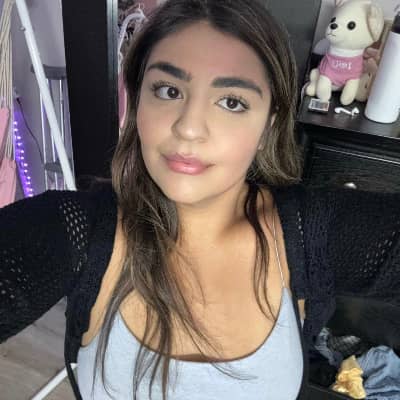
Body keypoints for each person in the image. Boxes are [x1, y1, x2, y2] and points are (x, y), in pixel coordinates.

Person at [1, 0, 400, 399]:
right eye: (169, 90)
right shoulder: (75, 233)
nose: (189, 128)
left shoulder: (314, 234)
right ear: (138, 101)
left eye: (232, 102)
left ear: (268, 125)